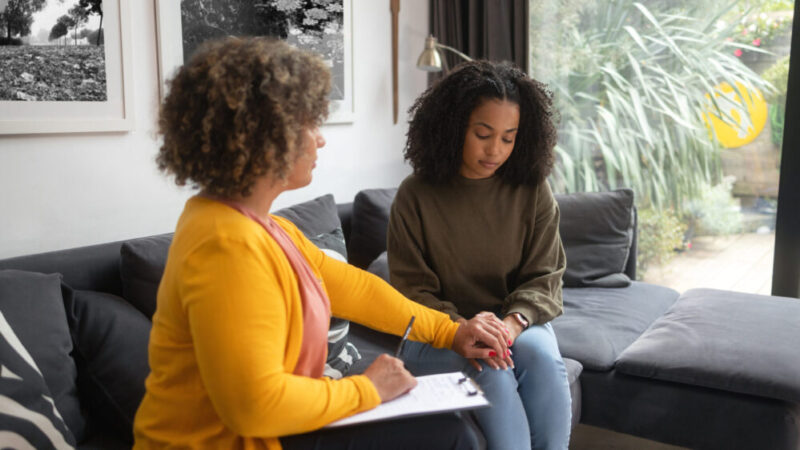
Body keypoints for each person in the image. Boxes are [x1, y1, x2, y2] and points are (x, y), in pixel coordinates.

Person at [132, 37, 513, 450]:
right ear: (267, 138)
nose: (321, 139)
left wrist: (451, 331)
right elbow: (254, 407)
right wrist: (368, 389)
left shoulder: (265, 228)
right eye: (310, 124)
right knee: (452, 437)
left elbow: (357, 291)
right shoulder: (227, 245)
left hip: (277, 432)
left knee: (452, 432)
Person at [387, 60, 572, 450]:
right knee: (492, 369)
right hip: (437, 330)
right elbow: (411, 292)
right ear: (454, 128)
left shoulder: (531, 189)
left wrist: (511, 325)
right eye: (483, 134)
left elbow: (545, 277)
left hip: (514, 322)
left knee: (540, 357)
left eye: (509, 137)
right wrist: (462, 329)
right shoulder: (415, 195)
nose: (496, 150)